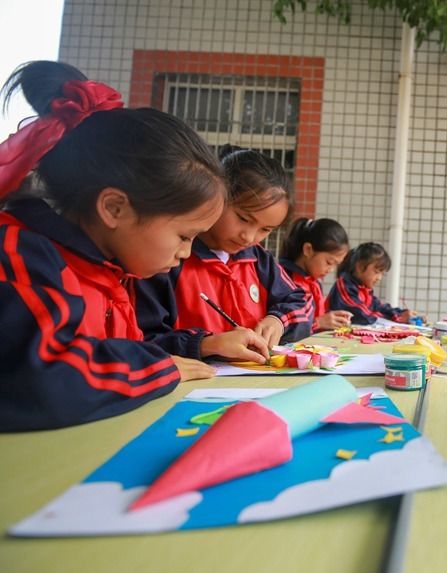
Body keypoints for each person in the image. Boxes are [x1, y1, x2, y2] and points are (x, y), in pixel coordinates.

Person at [0, 61, 265, 431]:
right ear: (114, 208)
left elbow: (127, 347)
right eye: (184, 236)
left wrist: (198, 346)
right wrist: (157, 367)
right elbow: (40, 378)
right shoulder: (22, 256)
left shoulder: (114, 269)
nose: (186, 253)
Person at [135, 146, 313, 349]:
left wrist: (279, 321)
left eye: (265, 229)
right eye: (243, 218)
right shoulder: (170, 257)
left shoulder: (257, 259)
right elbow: (146, 339)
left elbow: (302, 303)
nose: (249, 237)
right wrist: (206, 344)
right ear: (216, 197)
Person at [280, 217, 352, 332]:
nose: (331, 270)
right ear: (308, 250)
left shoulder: (314, 283)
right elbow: (282, 327)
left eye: (336, 265)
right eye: (329, 262)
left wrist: (331, 320)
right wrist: (318, 322)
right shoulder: (283, 278)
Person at [326, 242, 422, 325]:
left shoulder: (363, 288)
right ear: (360, 266)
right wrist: (398, 318)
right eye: (377, 272)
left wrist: (402, 313)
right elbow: (363, 316)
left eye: (382, 274)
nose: (379, 278)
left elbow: (379, 307)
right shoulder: (344, 285)